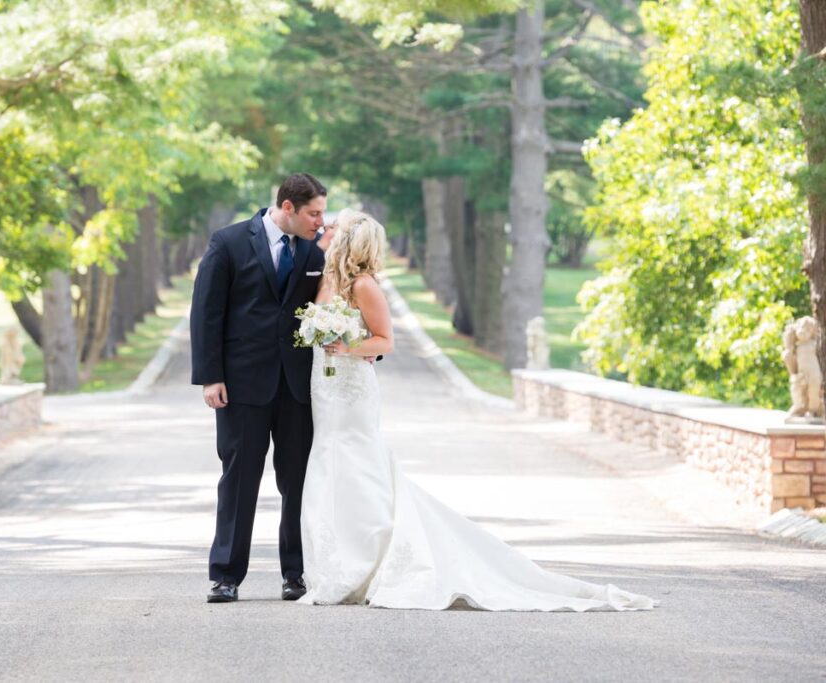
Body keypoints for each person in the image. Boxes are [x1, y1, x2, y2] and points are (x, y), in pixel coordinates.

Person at [298, 208, 656, 612]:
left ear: (349, 241)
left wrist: (348, 348)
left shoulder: (365, 286)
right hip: (324, 387)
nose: (327, 229)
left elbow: (385, 341)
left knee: (358, 464)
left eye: (335, 227)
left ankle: (365, 565)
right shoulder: (328, 279)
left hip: (352, 393)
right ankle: (335, 565)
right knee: (329, 462)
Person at [190, 173, 327, 603]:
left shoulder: (314, 252)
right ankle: (226, 576)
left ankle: (297, 574)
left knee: (299, 482)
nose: (320, 222)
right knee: (238, 480)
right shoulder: (228, 242)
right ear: (288, 207)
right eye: (313, 213)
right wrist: (211, 376)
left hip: (297, 388)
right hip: (241, 386)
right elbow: (206, 313)